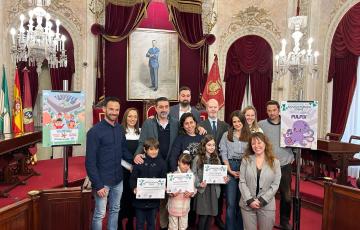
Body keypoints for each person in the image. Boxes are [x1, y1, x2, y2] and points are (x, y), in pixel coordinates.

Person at [85, 97, 134, 230]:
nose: (114, 112)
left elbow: (124, 150)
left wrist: (136, 160)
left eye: (117, 110)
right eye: (111, 109)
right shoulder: (94, 132)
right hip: (103, 181)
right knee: (100, 214)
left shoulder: (119, 129)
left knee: (115, 210)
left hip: (118, 179)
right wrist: (98, 185)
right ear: (104, 109)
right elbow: (90, 162)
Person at [134, 96, 179, 230]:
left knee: (166, 197)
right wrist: (137, 154)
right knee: (154, 197)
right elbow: (142, 142)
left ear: (169, 108)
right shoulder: (148, 123)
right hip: (154, 165)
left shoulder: (176, 123)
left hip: (170, 165)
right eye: (161, 107)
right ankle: (151, 224)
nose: (164, 109)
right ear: (156, 108)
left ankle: (164, 225)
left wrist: (199, 129)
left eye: (166, 107)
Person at [258, 100, 294, 230]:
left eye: (274, 110)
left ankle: (285, 221)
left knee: (287, 195)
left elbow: (296, 139)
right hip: (268, 165)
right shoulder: (261, 124)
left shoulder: (288, 123)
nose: (272, 113)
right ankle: (264, 218)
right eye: (269, 110)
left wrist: (293, 156)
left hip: (285, 165)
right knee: (265, 193)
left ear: (279, 110)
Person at [239, 132, 281, 230]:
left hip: (267, 204)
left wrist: (262, 200)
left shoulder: (275, 162)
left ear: (265, 143)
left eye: (259, 143)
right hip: (247, 204)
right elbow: (242, 181)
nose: (256, 146)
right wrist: (250, 200)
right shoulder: (246, 160)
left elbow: (275, 184)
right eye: (253, 143)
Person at [198, 98, 229, 229]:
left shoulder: (225, 125)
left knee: (219, 192)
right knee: (204, 192)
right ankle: (202, 218)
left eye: (215, 107)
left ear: (218, 108)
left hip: (220, 164)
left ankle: (217, 217)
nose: (212, 109)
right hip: (205, 163)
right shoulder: (201, 125)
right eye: (210, 107)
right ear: (206, 108)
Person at [219, 111, 251, 230]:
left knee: (242, 203)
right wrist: (229, 170)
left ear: (243, 121)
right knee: (231, 203)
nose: (237, 123)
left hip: (246, 167)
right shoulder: (226, 135)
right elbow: (224, 153)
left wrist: (244, 170)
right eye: (234, 121)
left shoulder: (250, 135)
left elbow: (252, 154)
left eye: (239, 121)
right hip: (230, 167)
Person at [192, 135, 229, 230]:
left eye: (213, 145)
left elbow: (221, 172)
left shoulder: (216, 157)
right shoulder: (198, 158)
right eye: (209, 145)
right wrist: (198, 184)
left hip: (214, 190)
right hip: (203, 190)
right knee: (203, 216)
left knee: (210, 215)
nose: (211, 147)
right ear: (204, 146)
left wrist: (225, 178)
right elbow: (193, 174)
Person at [130, 138, 167, 230]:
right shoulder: (139, 162)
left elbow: (163, 179)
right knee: (140, 224)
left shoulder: (162, 163)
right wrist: (134, 188)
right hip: (139, 202)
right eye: (151, 149)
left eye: (156, 149)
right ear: (145, 149)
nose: (154, 151)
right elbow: (132, 179)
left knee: (151, 224)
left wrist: (164, 187)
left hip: (153, 202)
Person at [118, 108, 141, 230]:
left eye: (135, 117)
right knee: (122, 198)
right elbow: (119, 153)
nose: (132, 119)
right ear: (125, 117)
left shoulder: (140, 132)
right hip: (122, 170)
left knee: (133, 197)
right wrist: (129, 166)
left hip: (135, 171)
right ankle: (119, 223)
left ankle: (131, 222)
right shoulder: (120, 132)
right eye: (130, 116)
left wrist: (135, 168)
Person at [167, 153, 196, 230]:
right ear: (178, 162)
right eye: (184, 163)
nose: (186, 166)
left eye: (188, 164)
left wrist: (191, 193)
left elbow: (194, 189)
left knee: (183, 227)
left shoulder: (191, 176)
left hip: (185, 208)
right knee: (173, 227)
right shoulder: (172, 175)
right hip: (174, 207)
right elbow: (168, 190)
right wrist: (171, 193)